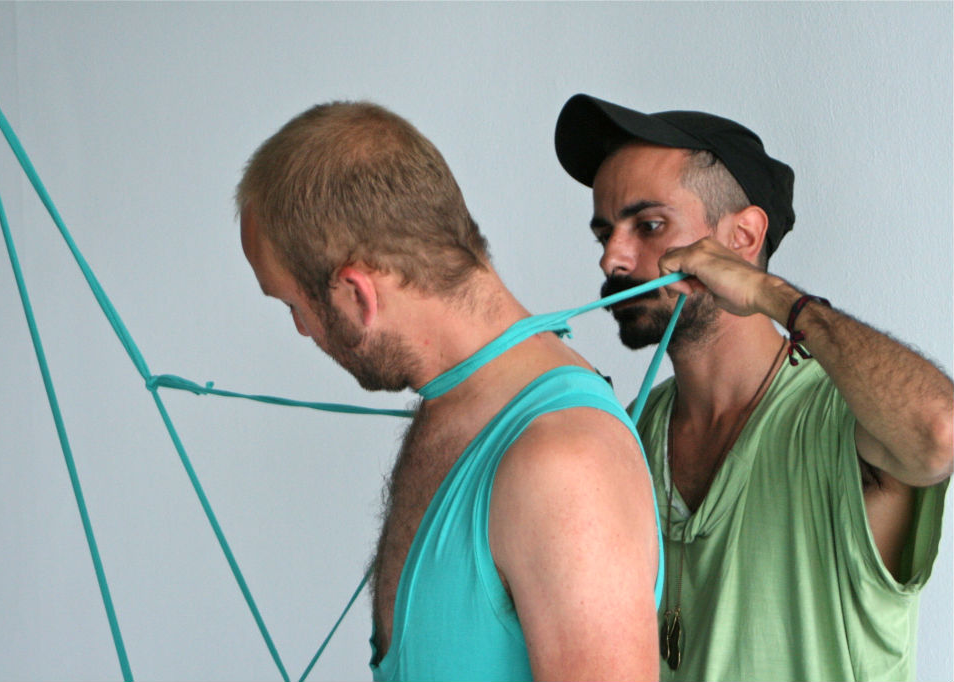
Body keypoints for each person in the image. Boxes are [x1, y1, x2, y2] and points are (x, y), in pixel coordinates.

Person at [236, 101, 662, 681]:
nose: (301, 329)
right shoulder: (456, 399)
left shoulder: (565, 464)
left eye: (293, 304)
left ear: (357, 295)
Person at [553, 93, 953, 681]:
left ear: (742, 237)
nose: (613, 258)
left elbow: (939, 432)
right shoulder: (633, 429)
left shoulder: (838, 417)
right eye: (605, 234)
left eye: (649, 226)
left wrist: (772, 294)